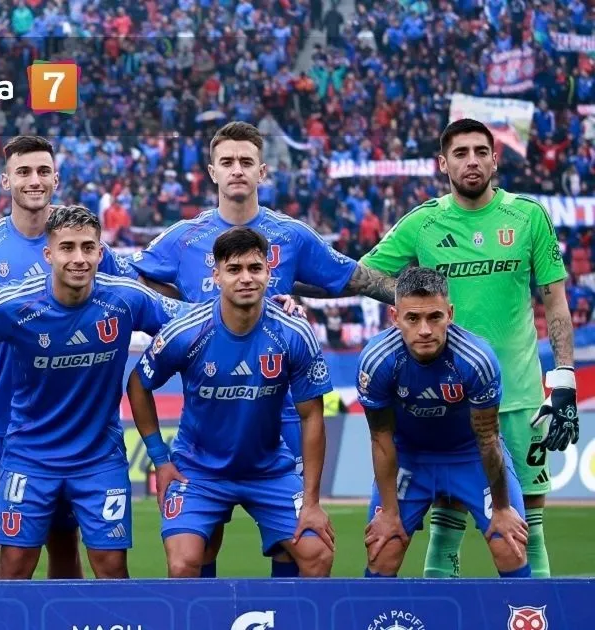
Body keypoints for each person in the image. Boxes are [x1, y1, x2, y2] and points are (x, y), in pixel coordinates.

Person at [130, 121, 392, 578]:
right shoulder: (183, 237)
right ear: (212, 171)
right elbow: (135, 280)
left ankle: (283, 609)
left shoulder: (291, 235)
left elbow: (349, 277)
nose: (237, 170)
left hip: (281, 415)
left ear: (262, 171)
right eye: (227, 162)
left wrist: (410, 296)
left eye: (246, 162)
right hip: (210, 414)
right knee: (201, 546)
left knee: (297, 548)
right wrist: (181, 312)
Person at [357, 118, 575, 578]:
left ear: (495, 159)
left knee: (526, 528)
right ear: (443, 164)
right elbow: (363, 274)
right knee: (446, 528)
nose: (471, 161)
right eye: (460, 153)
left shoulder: (528, 216)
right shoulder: (424, 222)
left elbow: (554, 300)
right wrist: (412, 303)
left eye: (480, 151)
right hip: (451, 403)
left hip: (519, 397)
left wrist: (565, 378)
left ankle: (533, 613)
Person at [0, 135, 136, 579]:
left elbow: (137, 292)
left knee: (64, 540)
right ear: (5, 180)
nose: (34, 180)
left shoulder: (80, 244)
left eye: (43, 171)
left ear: (56, 179)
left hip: (67, 425)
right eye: (23, 171)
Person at [0, 205, 186, 579]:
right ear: (49, 254)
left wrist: (265, 306)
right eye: (67, 248)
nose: (79, 258)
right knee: (14, 566)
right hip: (29, 456)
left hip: (99, 457)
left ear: (100, 252)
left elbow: (194, 320)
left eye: (87, 247)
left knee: (111, 567)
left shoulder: (127, 299)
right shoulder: (14, 304)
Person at [126, 227, 335, 578]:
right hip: (198, 471)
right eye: (234, 269)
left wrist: (312, 502)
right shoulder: (187, 331)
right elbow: (138, 384)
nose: (246, 278)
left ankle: (279, 611)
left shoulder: (293, 333)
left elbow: (312, 417)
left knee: (318, 555)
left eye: (255, 268)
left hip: (268, 469)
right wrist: (160, 459)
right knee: (183, 563)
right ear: (216, 276)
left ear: (269, 272)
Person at [358, 267, 530, 578]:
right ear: (395, 317)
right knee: (383, 550)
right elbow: (381, 438)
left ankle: (524, 610)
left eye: (434, 317)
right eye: (413, 318)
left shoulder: (476, 359)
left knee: (510, 545)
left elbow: (488, 438)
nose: (424, 329)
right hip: (409, 458)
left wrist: (502, 509)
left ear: (449, 314)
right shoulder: (377, 360)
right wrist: (390, 513)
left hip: (470, 455)